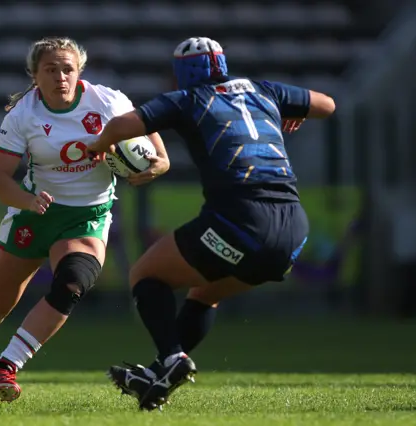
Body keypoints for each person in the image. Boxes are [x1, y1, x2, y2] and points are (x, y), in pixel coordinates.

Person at [87, 37, 336, 411]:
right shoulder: (262, 89)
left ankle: (172, 357)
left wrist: (98, 147)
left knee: (145, 275)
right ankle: (160, 374)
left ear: (181, 73)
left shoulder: (186, 99)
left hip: (240, 219)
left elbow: (125, 123)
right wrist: (289, 110)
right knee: (206, 292)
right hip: (293, 230)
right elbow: (327, 105)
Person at [0, 36, 169, 403]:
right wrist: (28, 200)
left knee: (73, 283)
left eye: (67, 69)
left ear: (79, 71)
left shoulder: (109, 101)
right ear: (34, 75)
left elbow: (159, 153)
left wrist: (156, 166)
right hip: (33, 214)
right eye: (50, 70)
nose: (60, 77)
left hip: (87, 215)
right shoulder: (23, 114)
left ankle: (6, 367)